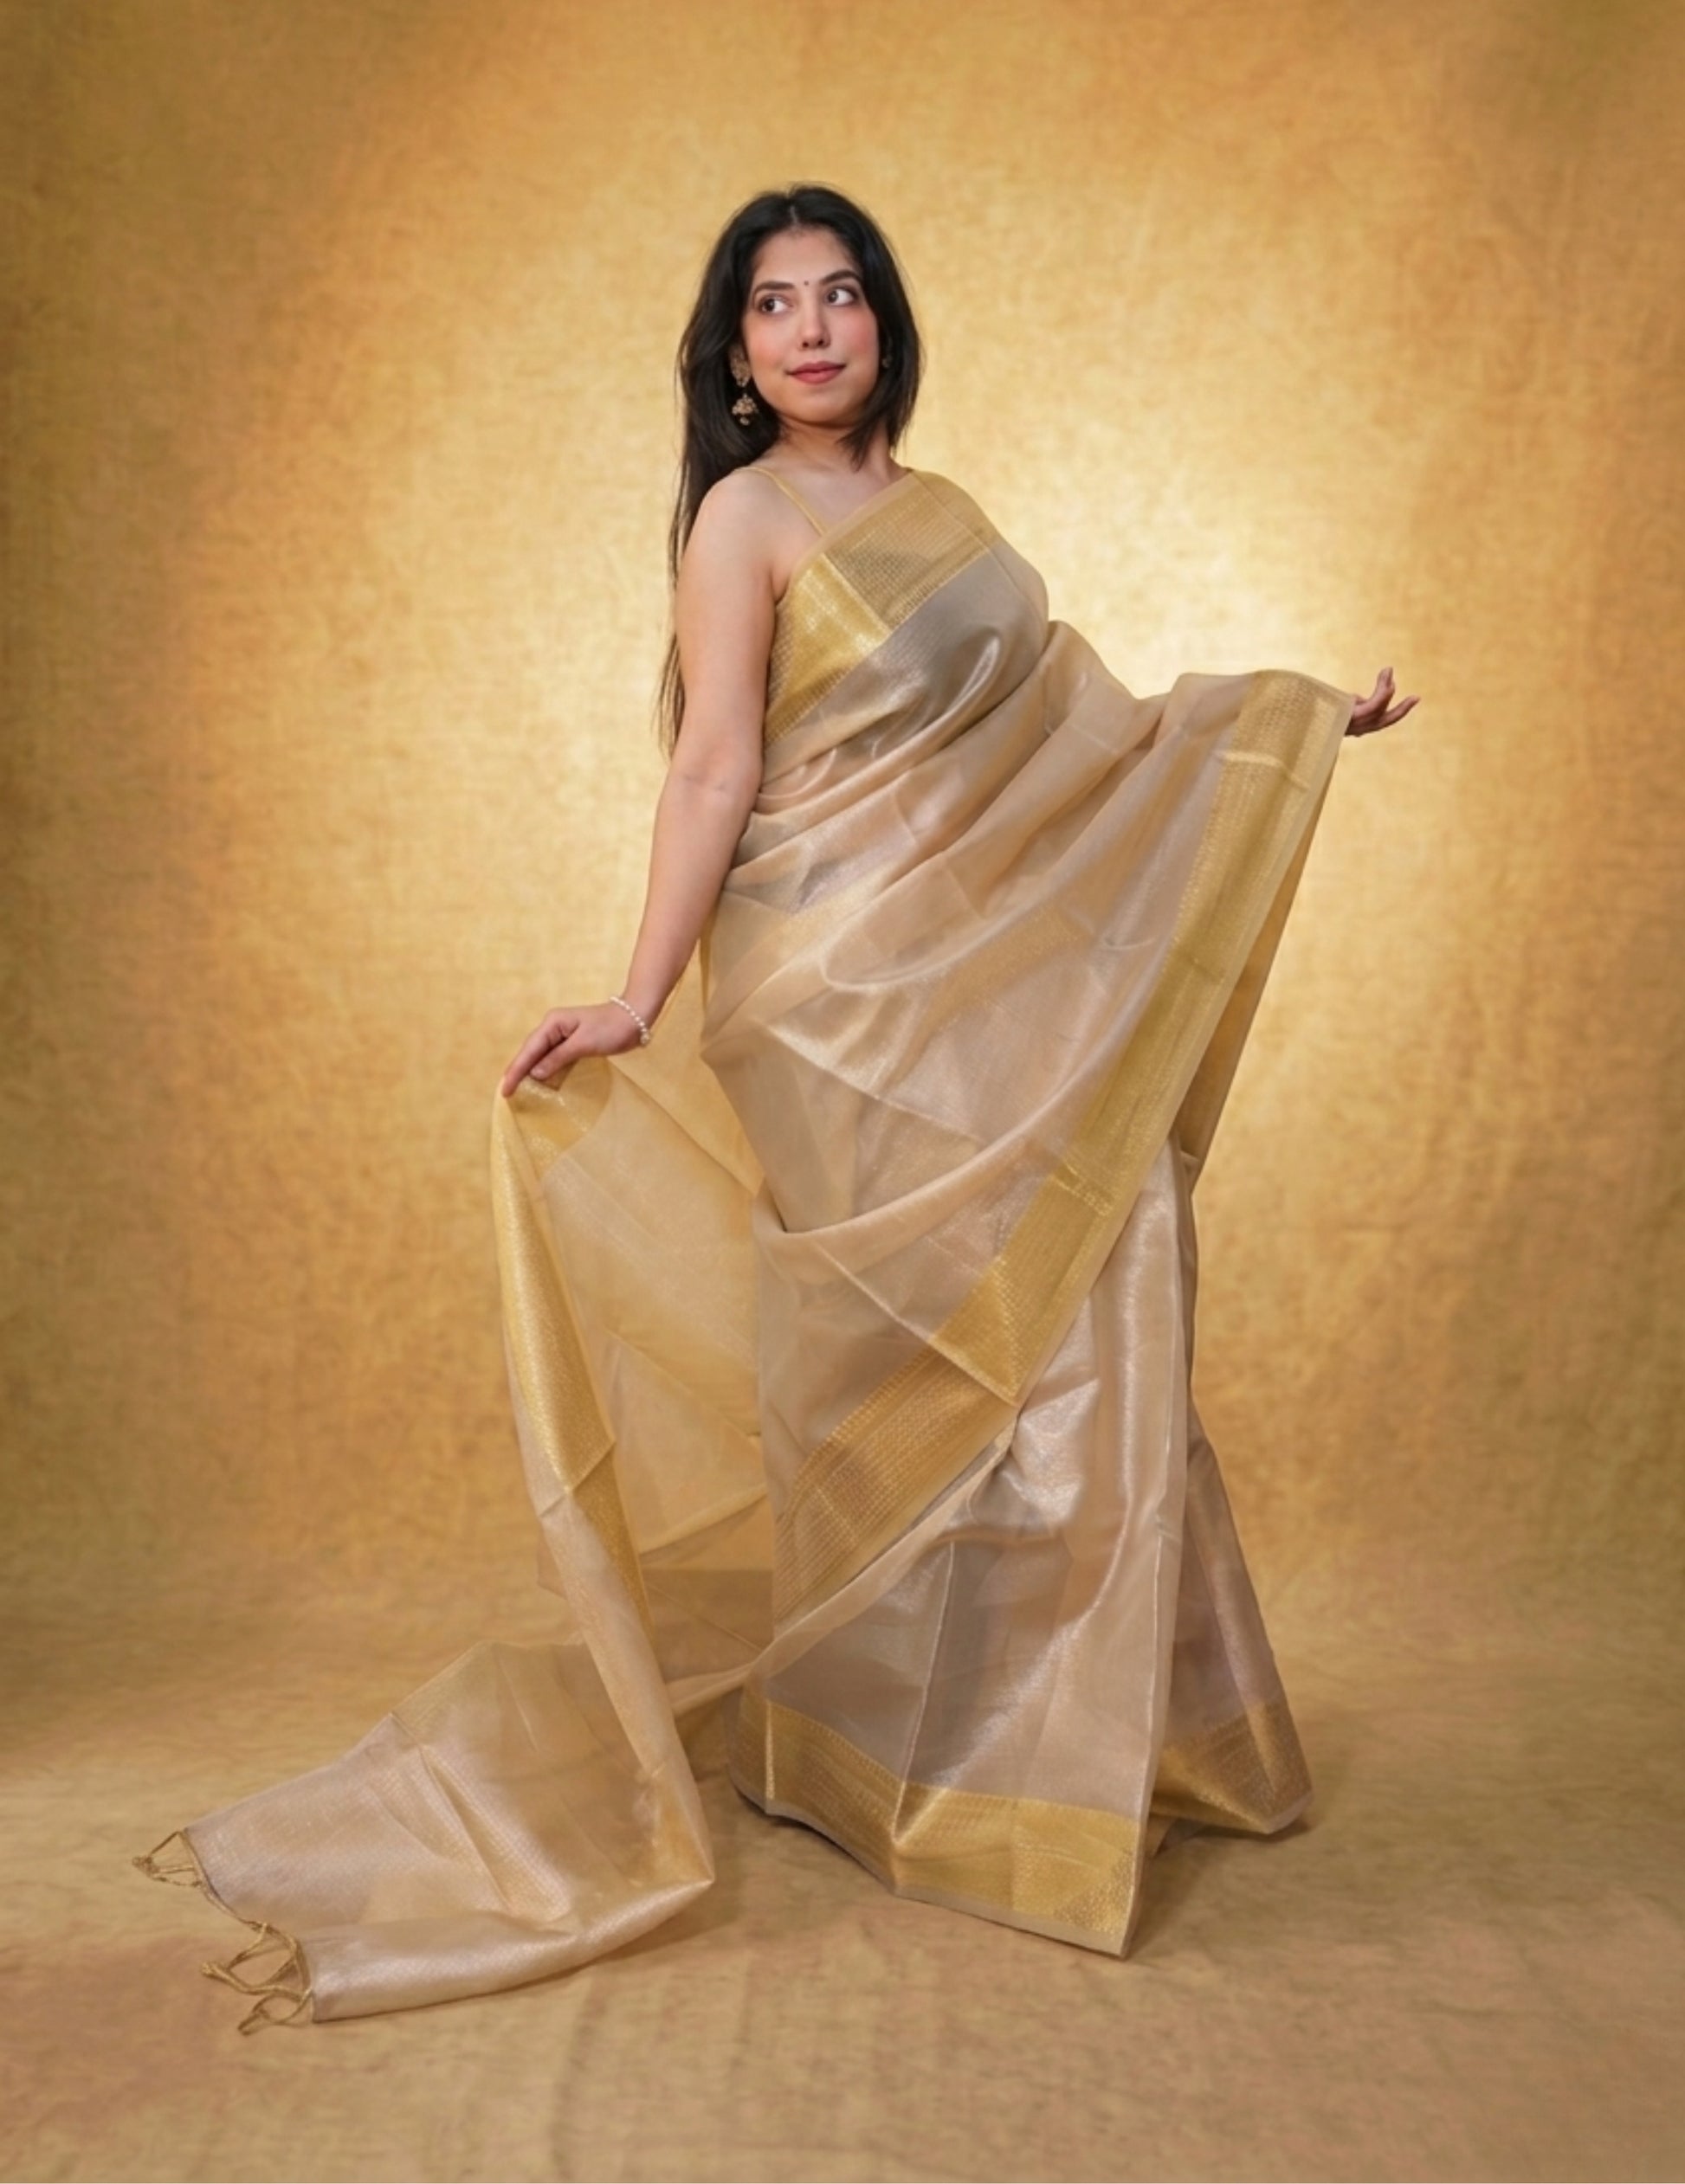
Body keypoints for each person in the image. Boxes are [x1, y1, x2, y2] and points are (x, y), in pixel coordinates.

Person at [138, 184, 1417, 2029]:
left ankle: (1048, 1759)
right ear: (735, 353)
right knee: (914, 1366)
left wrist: (1284, 727)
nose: (811, 330)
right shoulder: (742, 518)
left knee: (1097, 1292)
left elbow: (1088, 732)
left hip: (990, 989)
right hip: (838, 998)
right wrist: (637, 993)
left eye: (838, 295)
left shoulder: (946, 515)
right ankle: (888, 1761)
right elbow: (715, 763)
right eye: (772, 305)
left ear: (883, 320)